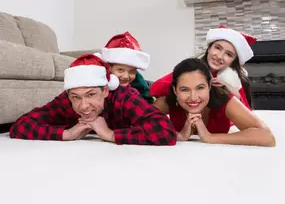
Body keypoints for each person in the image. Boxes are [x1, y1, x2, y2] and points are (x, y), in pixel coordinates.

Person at [9, 54, 176, 145]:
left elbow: (165, 131)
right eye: (76, 97)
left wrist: (111, 135)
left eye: (91, 95)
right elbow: (20, 126)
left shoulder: (124, 96)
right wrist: (65, 134)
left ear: (105, 90)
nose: (83, 106)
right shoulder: (66, 99)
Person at [150, 58, 275, 147]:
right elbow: (135, 124)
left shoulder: (224, 100)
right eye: (184, 89)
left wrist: (210, 137)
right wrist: (178, 135)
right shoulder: (168, 101)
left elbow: (267, 137)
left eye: (200, 88)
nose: (193, 98)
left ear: (209, 87)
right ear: (175, 90)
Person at [151, 25, 256, 109]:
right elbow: (155, 88)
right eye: (217, 48)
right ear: (209, 48)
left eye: (228, 54)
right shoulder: (193, 69)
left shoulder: (232, 78)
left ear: (233, 62)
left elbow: (246, 111)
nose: (219, 56)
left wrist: (229, 88)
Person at [96, 31, 154, 103]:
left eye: (132, 71)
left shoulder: (138, 80)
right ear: (109, 68)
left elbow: (148, 100)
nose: (126, 76)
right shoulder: (100, 78)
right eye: (120, 70)